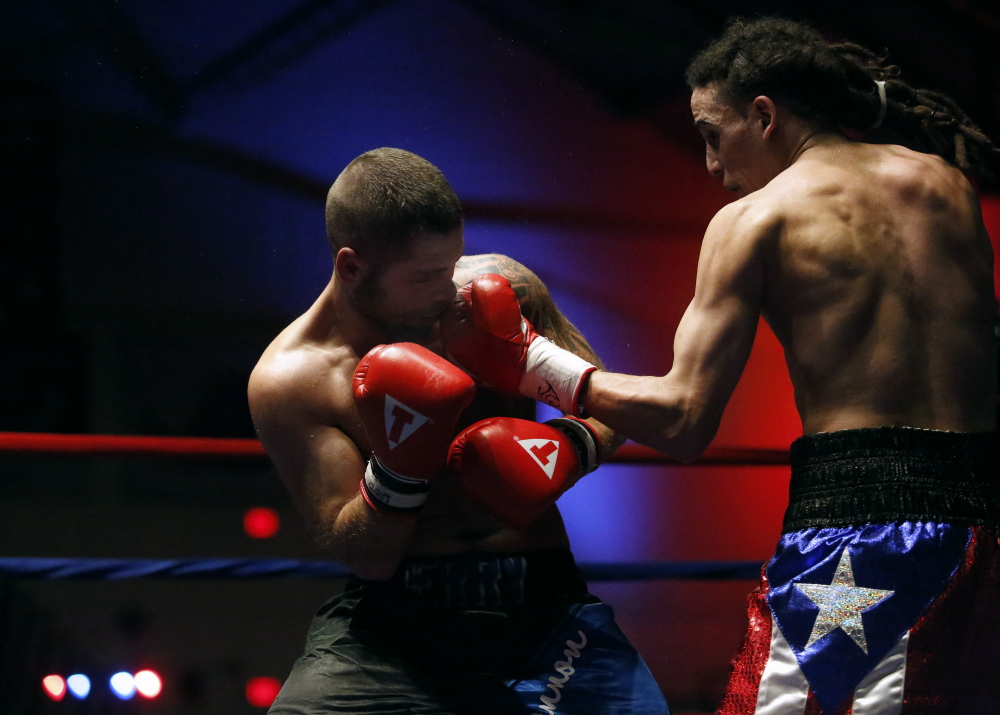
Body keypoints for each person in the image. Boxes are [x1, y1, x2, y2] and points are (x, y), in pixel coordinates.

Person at [439, 17, 999, 715]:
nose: (709, 164)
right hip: (980, 528)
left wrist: (531, 363)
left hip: (855, 538)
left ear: (764, 115)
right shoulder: (945, 181)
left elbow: (683, 420)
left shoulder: (757, 219)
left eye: (711, 131)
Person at [247, 147, 669, 714]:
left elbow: (607, 403)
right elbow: (364, 556)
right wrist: (400, 465)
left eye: (452, 264)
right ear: (352, 267)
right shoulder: (292, 380)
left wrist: (571, 446)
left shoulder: (499, 297)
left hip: (541, 602)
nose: (448, 289)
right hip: (393, 629)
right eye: (425, 276)